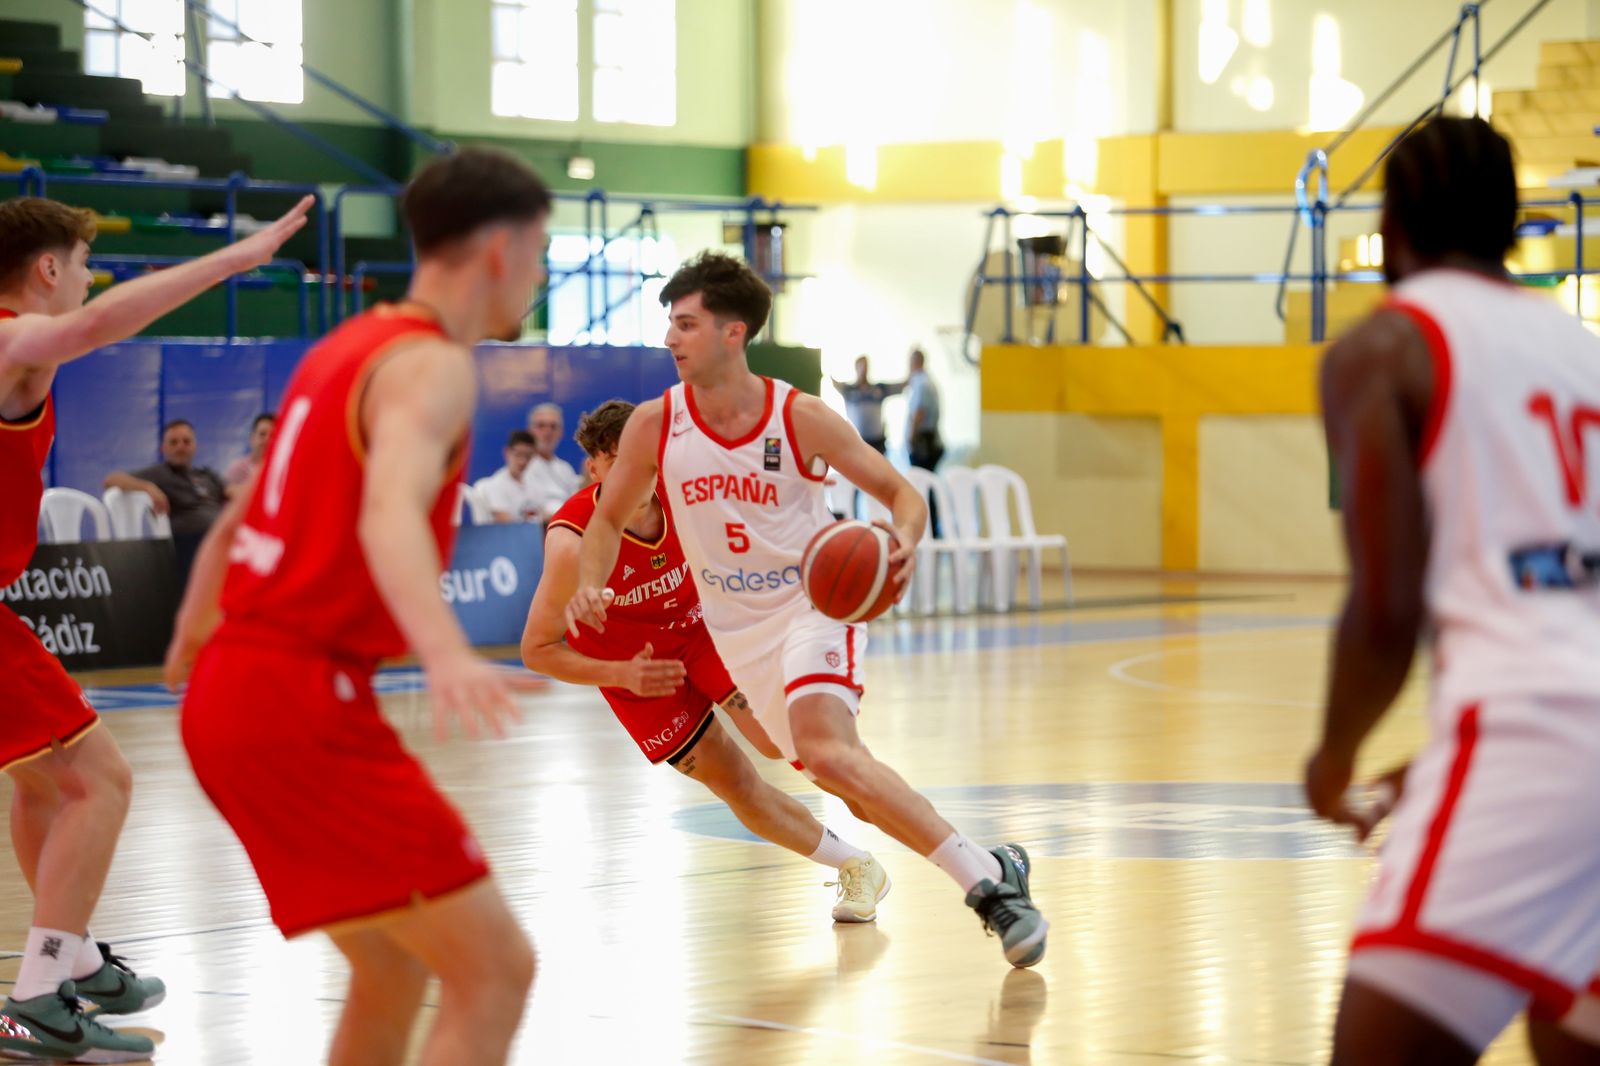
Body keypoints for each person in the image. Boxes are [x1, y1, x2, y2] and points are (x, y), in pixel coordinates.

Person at [165, 148, 550, 1066]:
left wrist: (192, 633)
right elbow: (388, 517)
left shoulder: (342, 346)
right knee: (496, 969)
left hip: (231, 692)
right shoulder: (435, 367)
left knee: (392, 970)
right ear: (499, 248)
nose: (538, 275)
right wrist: (448, 651)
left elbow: (233, 524)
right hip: (299, 698)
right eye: (539, 252)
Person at [565, 252, 1048, 968]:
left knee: (826, 752)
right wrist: (590, 584)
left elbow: (903, 496)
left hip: (810, 608)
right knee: (835, 774)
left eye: (687, 324)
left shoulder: (802, 418)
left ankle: (987, 891)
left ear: (734, 333)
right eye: (669, 323)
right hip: (737, 633)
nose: (671, 338)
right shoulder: (652, 425)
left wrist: (903, 544)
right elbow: (603, 524)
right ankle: (995, 862)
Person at [1305, 116, 1600, 1064]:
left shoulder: (1384, 350)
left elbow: (1386, 606)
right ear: (1513, 222)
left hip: (1529, 741)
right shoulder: (1584, 349)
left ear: (1392, 225)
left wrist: (1335, 755)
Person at [0, 191, 310, 1061]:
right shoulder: (14, 340)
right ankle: (37, 996)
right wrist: (234, 259)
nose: (91, 283)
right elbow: (93, 328)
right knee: (102, 780)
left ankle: (77, 959)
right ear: (48, 270)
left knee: (45, 781)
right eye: (86, 267)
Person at [522, 398, 891, 921]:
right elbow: (536, 649)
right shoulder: (571, 546)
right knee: (736, 784)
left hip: (704, 635)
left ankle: (924, 830)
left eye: (643, 458)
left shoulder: (687, 493)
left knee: (785, 740)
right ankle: (857, 865)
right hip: (635, 672)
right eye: (618, 462)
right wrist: (617, 673)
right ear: (595, 469)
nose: (636, 473)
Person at [104, 418, 229, 535]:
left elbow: (235, 492)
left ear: (195, 446)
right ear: (163, 448)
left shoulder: (207, 475)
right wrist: (148, 487)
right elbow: (111, 480)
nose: (180, 447)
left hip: (225, 536)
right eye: (173, 442)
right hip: (189, 542)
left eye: (186, 441)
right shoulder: (159, 473)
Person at [830, 355, 903, 453]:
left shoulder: (879, 389)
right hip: (856, 442)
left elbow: (901, 386)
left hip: (877, 443)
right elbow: (832, 380)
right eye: (861, 366)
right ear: (856, 367)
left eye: (866, 366)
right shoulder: (848, 390)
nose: (864, 369)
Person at [524, 401, 579, 519]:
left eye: (553, 427)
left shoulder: (565, 469)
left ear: (561, 433)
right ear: (529, 431)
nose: (547, 432)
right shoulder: (521, 468)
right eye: (541, 426)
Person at [474, 429, 542, 522]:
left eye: (528, 456)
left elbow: (543, 512)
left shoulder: (534, 484)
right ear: (507, 452)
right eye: (518, 454)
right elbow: (506, 523)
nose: (523, 461)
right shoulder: (494, 485)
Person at [905, 348, 943, 472]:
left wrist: (912, 438)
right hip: (928, 441)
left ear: (914, 362)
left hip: (924, 443)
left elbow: (919, 412)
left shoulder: (922, 383)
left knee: (921, 481)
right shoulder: (926, 381)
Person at [225, 411, 275, 491]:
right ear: (252, 438)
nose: (267, 440)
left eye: (273, 436)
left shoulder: (284, 471)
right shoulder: (238, 470)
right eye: (262, 434)